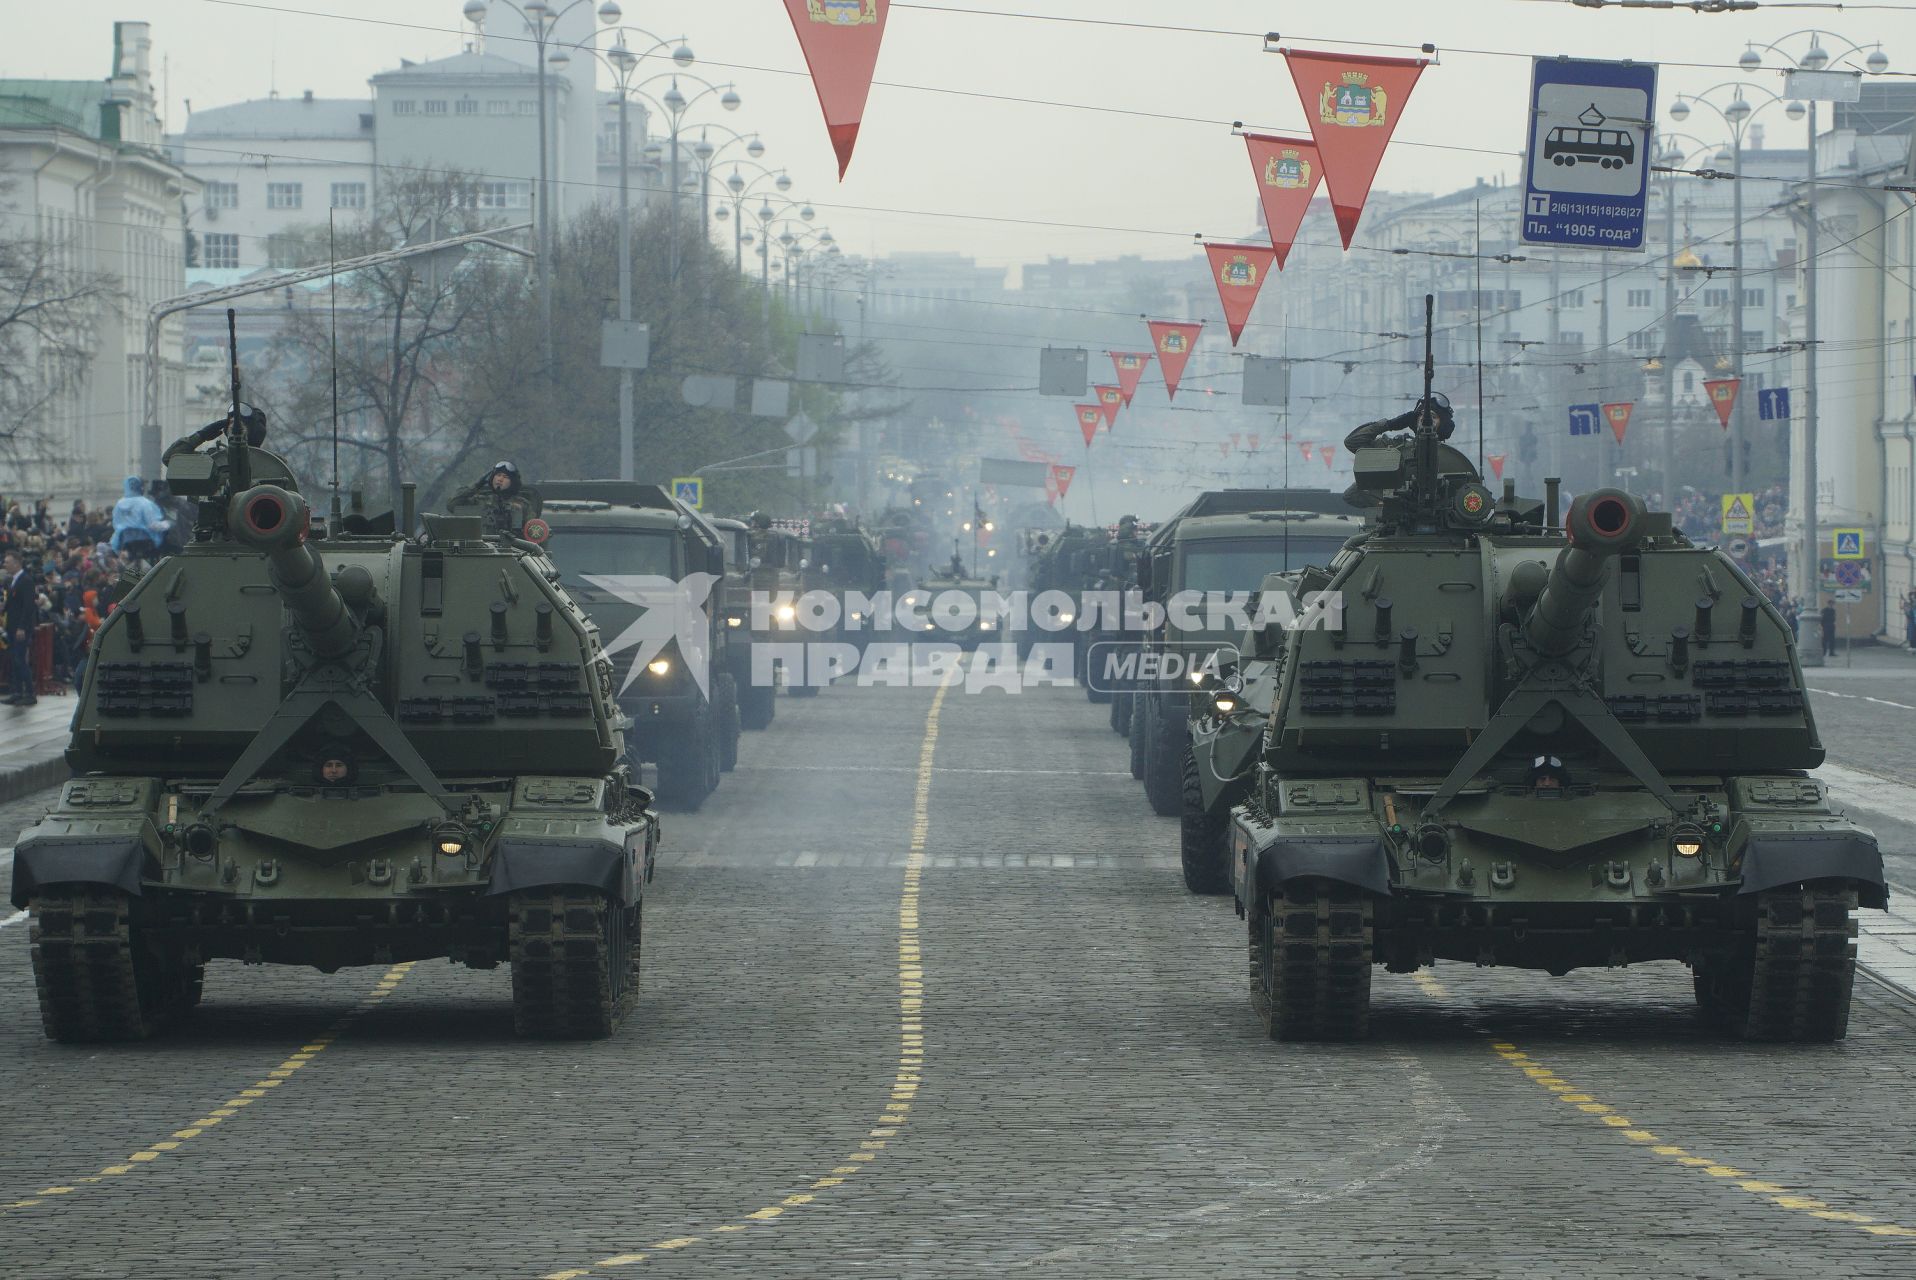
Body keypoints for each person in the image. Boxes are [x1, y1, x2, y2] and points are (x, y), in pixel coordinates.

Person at [4, 549, 41, 705]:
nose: (4, 564)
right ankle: (17, 691)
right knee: (14, 659)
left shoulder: (26, 580)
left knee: (20, 660)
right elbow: (13, 603)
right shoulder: (12, 580)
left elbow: (28, 607)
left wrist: (22, 627)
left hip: (21, 628)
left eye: (7, 562)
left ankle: (30, 694)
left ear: (17, 563)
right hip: (11, 627)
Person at [110, 477, 171, 563]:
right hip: (145, 543)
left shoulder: (120, 504)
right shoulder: (145, 503)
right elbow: (153, 525)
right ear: (141, 487)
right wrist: (168, 524)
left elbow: (116, 524)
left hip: (126, 542)